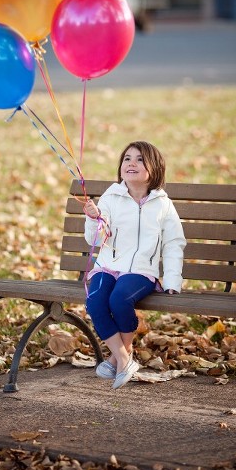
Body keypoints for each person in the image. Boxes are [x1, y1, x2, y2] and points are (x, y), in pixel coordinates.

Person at [83, 141, 186, 389]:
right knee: (95, 300)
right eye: (127, 158)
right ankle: (124, 358)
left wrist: (172, 281)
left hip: (141, 271)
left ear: (155, 169)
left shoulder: (163, 204)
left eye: (140, 159)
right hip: (109, 265)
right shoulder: (111, 196)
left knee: (119, 300)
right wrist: (93, 218)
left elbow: (173, 243)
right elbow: (95, 239)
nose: (131, 163)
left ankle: (117, 358)